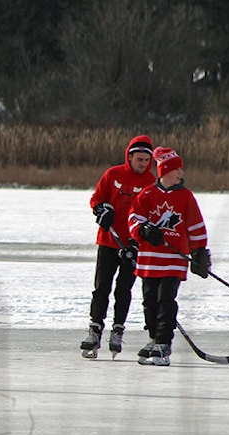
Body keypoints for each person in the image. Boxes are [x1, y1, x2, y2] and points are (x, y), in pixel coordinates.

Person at [127, 146, 210, 366]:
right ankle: (154, 338)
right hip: (149, 260)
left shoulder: (186, 197)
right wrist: (143, 230)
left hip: (174, 260)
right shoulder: (147, 194)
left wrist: (200, 251)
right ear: (164, 171)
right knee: (149, 302)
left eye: (181, 170)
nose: (181, 174)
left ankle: (164, 343)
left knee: (166, 301)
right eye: (177, 170)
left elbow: (195, 225)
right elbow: (134, 218)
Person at [80, 135, 155, 358]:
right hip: (108, 241)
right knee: (102, 287)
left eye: (146, 160)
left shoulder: (151, 183)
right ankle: (94, 330)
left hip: (133, 246)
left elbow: (151, 215)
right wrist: (101, 210)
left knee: (124, 289)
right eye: (139, 159)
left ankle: (118, 330)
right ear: (129, 157)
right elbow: (96, 198)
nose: (142, 164)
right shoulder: (113, 174)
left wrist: (136, 241)